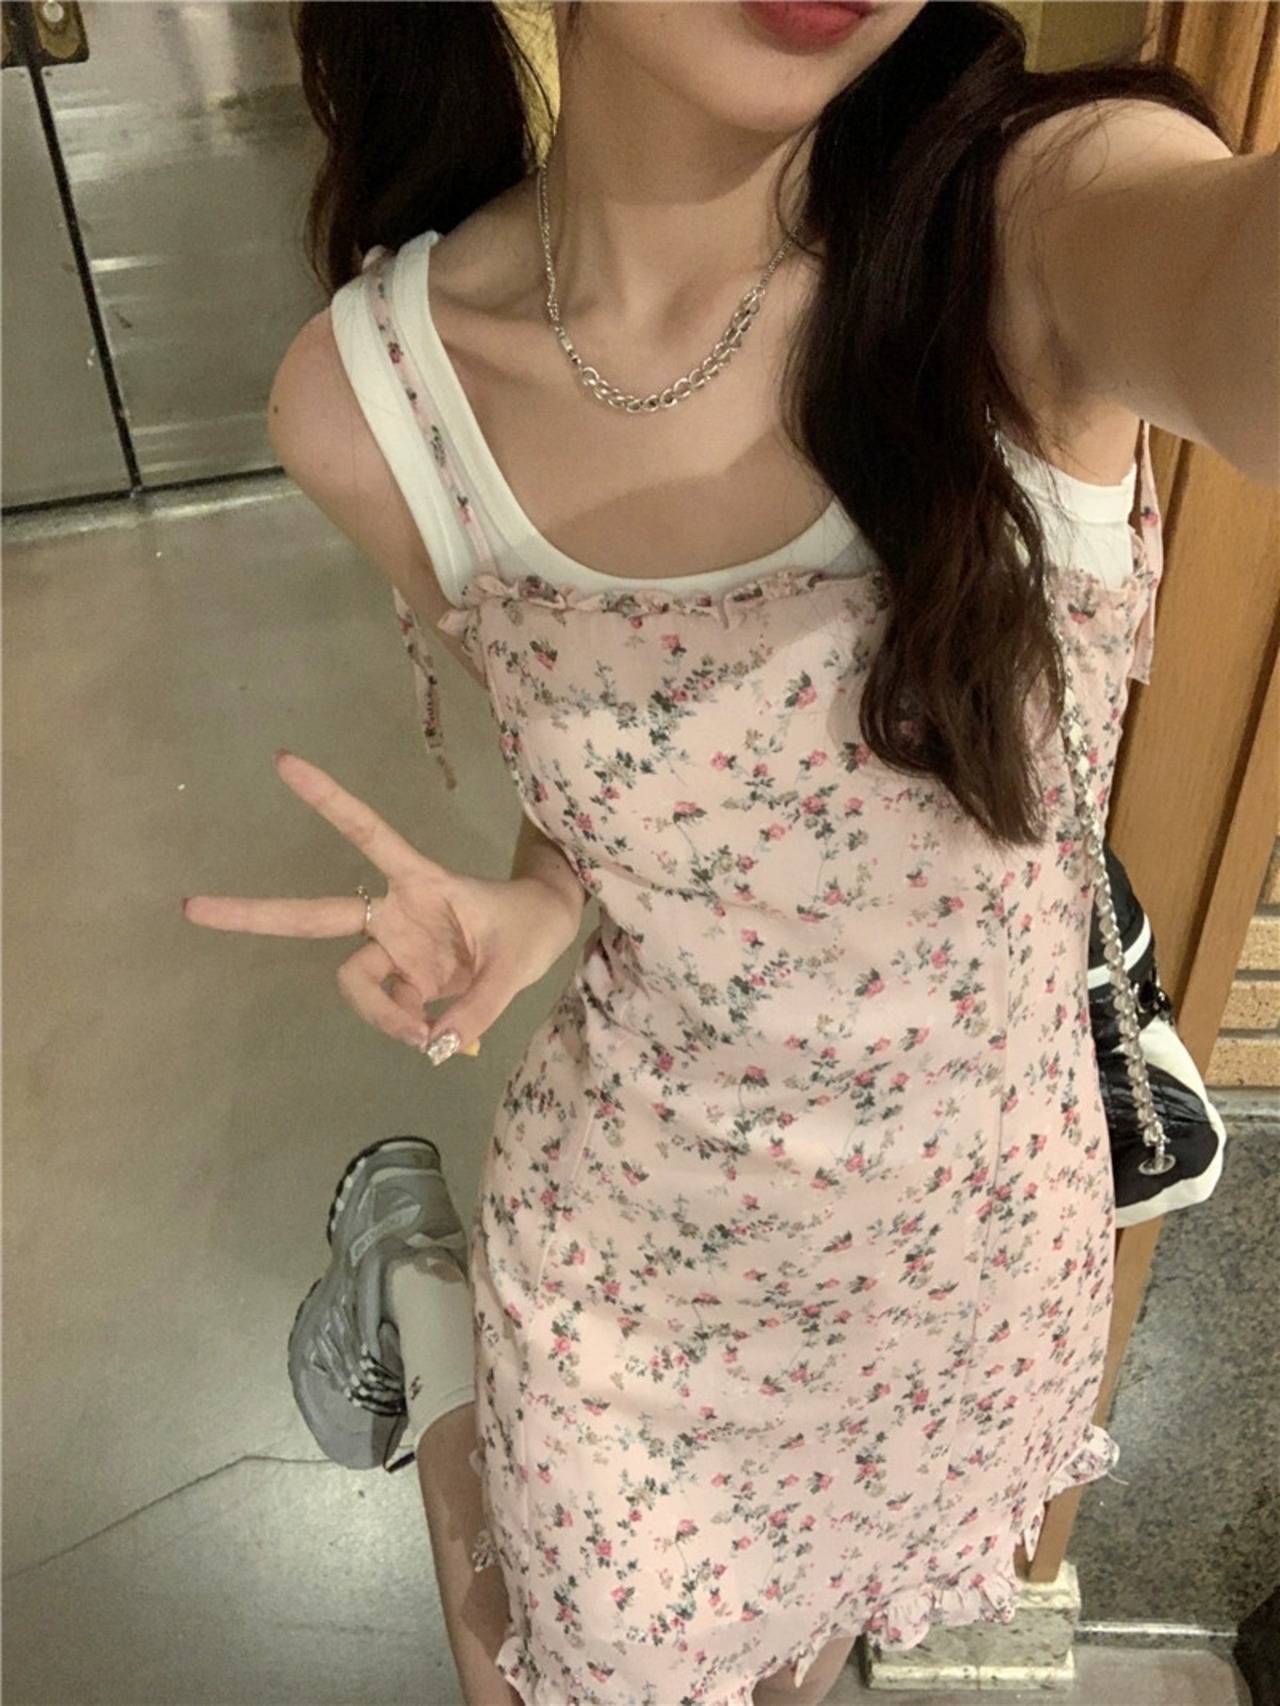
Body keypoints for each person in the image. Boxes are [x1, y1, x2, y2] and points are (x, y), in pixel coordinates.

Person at [183, 4, 1274, 1702]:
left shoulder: (1033, 226)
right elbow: (608, 784)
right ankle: (427, 1298)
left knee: (793, 1659)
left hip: (969, 1266)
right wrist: (536, 901)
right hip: (643, 1284)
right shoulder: (378, 396)